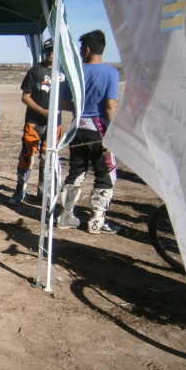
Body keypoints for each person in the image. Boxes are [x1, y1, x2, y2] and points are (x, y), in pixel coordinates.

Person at [58, 30, 119, 234]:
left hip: (78, 128)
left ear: (86, 49)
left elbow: (64, 103)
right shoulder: (111, 73)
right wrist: (113, 134)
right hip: (100, 129)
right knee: (105, 175)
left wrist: (80, 108)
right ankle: (97, 221)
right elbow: (110, 105)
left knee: (76, 172)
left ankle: (66, 215)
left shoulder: (75, 73)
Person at [8, 38, 65, 206]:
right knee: (27, 155)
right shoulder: (35, 71)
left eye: (54, 50)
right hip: (34, 121)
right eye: (48, 50)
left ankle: (43, 191)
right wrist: (43, 112)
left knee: (48, 157)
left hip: (55, 123)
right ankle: (20, 190)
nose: (51, 53)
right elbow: (25, 97)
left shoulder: (64, 71)